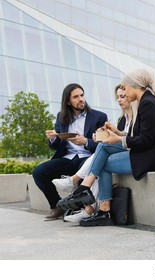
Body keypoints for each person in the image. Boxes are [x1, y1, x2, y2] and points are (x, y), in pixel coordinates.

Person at [61, 68, 155, 227]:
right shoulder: (146, 102)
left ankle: (98, 203)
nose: (123, 91)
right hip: (145, 153)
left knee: (102, 162)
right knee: (103, 148)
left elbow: (146, 140)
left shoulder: (148, 104)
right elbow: (141, 136)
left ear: (135, 85)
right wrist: (118, 133)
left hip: (149, 158)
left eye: (124, 88)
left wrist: (119, 139)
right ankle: (88, 193)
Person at [53, 85, 135, 222]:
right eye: (118, 97)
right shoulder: (122, 120)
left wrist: (91, 140)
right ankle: (91, 207)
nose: (119, 100)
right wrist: (110, 134)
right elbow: (120, 140)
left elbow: (134, 139)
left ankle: (78, 188)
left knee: (100, 158)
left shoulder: (136, 115)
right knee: (100, 159)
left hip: (135, 154)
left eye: (123, 96)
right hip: (110, 153)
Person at [32, 83, 107, 221]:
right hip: (67, 158)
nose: (81, 99)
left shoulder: (99, 117)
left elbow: (105, 144)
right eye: (76, 97)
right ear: (68, 101)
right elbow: (55, 146)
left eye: (82, 95)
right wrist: (53, 139)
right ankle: (57, 206)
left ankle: (83, 211)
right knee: (38, 172)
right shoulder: (61, 117)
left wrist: (86, 142)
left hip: (87, 156)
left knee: (85, 177)